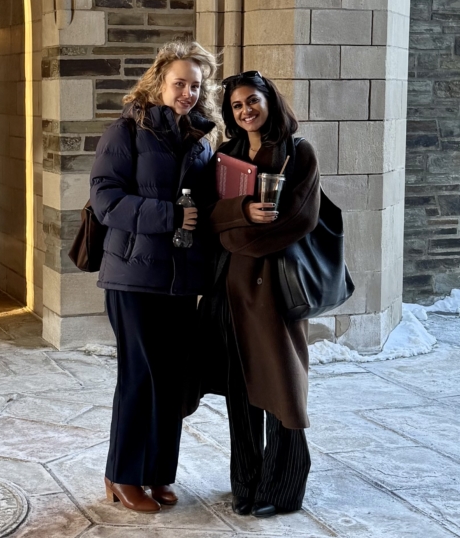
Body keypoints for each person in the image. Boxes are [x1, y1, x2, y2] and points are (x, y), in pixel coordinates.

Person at [89, 41, 220, 513]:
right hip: (134, 277)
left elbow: (204, 205)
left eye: (195, 86)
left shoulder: (201, 139)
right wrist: (169, 216)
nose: (187, 92)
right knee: (140, 377)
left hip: (180, 281)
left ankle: (159, 473)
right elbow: (105, 200)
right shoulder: (126, 131)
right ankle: (124, 475)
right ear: (159, 82)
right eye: (179, 83)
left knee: (171, 380)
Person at [203, 70, 321, 517]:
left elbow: (297, 220)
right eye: (236, 106)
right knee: (240, 392)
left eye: (252, 100)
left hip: (274, 288)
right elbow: (212, 215)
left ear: (269, 101)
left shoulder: (298, 152)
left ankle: (284, 487)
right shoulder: (227, 153)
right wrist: (241, 213)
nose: (245, 110)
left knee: (282, 390)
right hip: (231, 291)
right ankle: (247, 482)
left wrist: (237, 231)